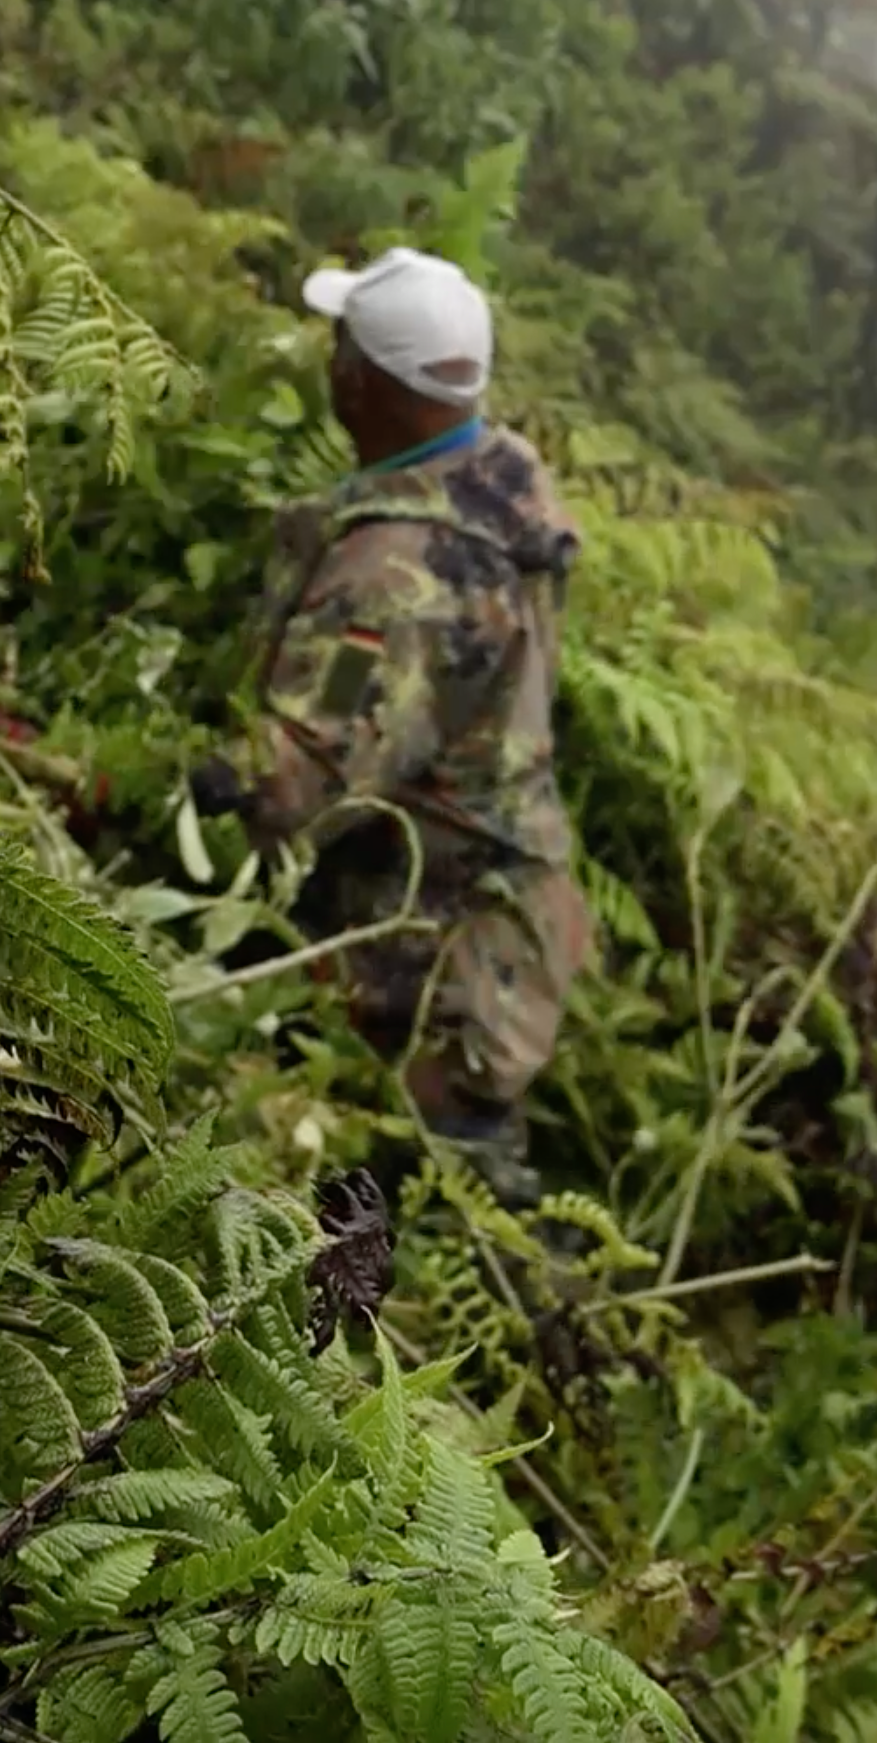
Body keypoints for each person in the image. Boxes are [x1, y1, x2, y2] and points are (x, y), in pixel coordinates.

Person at [191, 247, 590, 1208]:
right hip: (484, 942)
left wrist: (170, 785)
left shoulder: (400, 583)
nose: (329, 364)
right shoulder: (494, 478)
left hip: (426, 985)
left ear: (362, 382)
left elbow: (301, 782)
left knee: (413, 1234)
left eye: (341, 349)